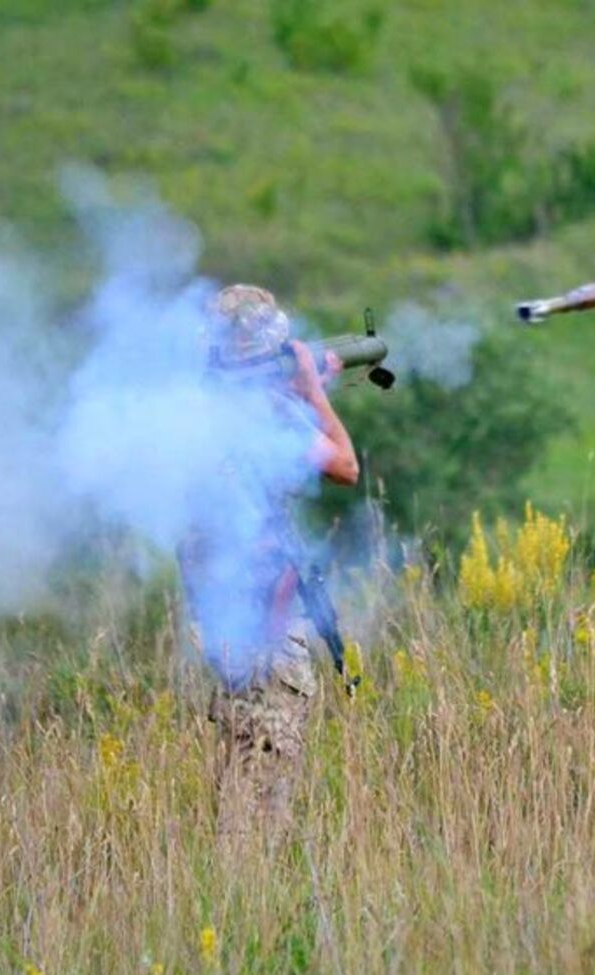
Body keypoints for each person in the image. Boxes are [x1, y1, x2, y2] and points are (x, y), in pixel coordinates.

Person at [177, 283, 358, 843]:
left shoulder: (189, 415)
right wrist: (312, 394)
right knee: (263, 785)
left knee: (243, 769)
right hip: (265, 626)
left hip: (221, 622)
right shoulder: (267, 417)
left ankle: (239, 893)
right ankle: (247, 896)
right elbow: (346, 467)